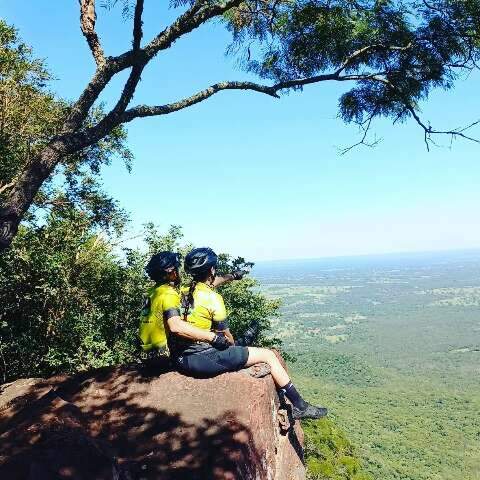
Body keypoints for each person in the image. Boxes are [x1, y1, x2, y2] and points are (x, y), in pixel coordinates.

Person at [166, 247, 328, 420]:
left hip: (181, 357)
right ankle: (300, 406)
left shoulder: (181, 291)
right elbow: (226, 337)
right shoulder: (213, 299)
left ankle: (243, 344)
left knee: (229, 340)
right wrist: (234, 345)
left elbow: (210, 284)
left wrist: (233, 276)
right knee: (268, 355)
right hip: (202, 361)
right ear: (212, 269)